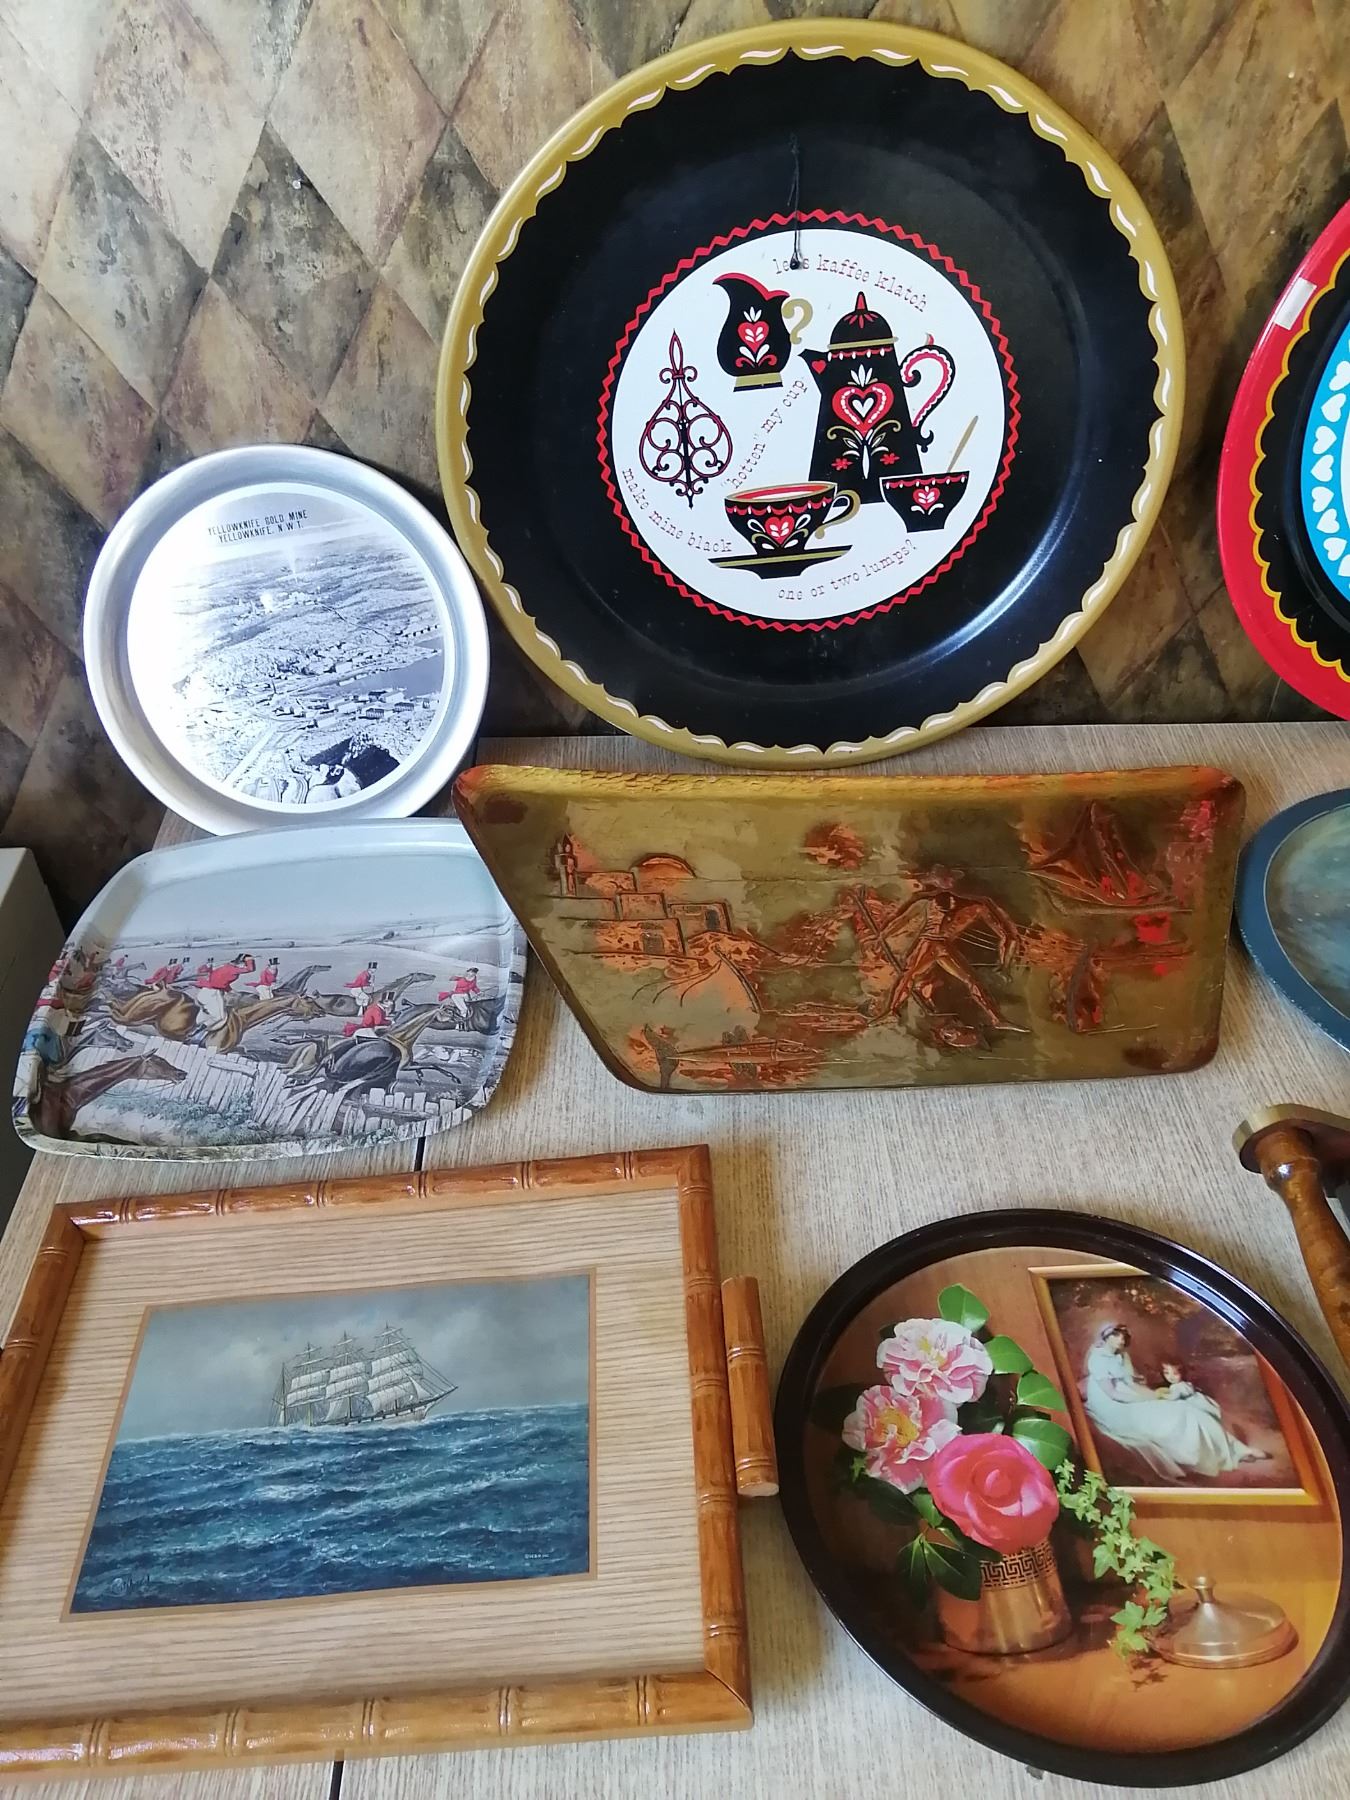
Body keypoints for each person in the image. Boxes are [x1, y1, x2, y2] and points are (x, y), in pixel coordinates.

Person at [1082, 1324, 1268, 1481]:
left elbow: (1130, 1384)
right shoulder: (1098, 1359)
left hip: (1130, 1396)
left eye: (1123, 1336)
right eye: (1116, 1335)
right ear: (1106, 1336)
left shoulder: (1122, 1355)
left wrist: (1150, 1393)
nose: (1121, 1340)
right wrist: (1148, 1398)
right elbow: (1113, 1393)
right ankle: (1198, 1458)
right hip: (1113, 1407)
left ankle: (1237, 1450)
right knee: (1176, 1413)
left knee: (1187, 1408)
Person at [195, 952, 256, 1029]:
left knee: (209, 1013)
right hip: (213, 994)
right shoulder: (233, 969)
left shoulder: (226, 967)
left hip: (205, 992)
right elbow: (250, 969)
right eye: (244, 965)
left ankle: (197, 1027)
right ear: (241, 963)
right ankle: (199, 1032)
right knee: (220, 1018)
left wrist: (229, 990)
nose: (243, 967)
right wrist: (249, 960)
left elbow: (221, 981)